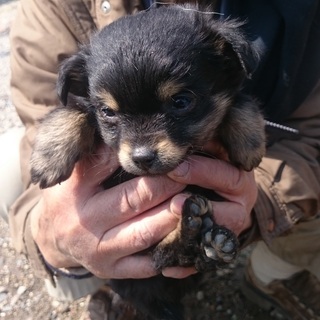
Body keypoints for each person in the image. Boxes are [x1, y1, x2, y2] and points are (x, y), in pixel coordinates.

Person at [3, 0, 320, 319]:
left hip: (214, 207)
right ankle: (99, 285)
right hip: (118, 221)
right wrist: (50, 233)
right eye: (110, 112)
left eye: (180, 102)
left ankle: (264, 274)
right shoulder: (54, 8)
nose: (141, 149)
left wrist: (257, 202)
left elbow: (309, 133)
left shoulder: (294, 17)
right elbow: (46, 128)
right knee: (8, 166)